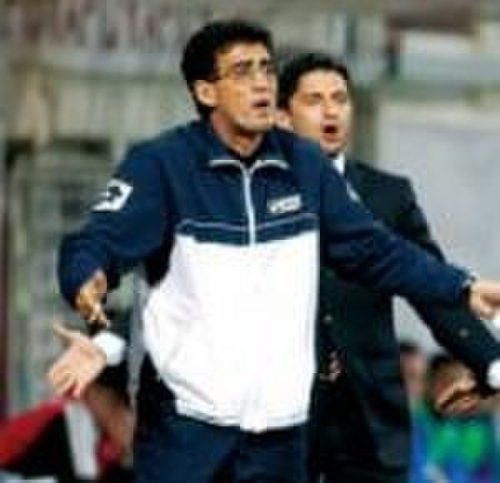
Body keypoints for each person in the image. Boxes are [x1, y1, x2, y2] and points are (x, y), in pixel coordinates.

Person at [52, 20, 500, 483]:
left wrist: (462, 287)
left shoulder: (305, 165)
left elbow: (376, 251)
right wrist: (87, 278)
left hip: (281, 440)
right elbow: (97, 240)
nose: (262, 82)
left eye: (266, 68)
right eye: (242, 71)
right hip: (187, 434)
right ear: (206, 91)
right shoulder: (162, 165)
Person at [276, 51, 500, 483]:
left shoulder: (387, 195)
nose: (331, 111)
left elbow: (432, 287)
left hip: (369, 416)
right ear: (283, 116)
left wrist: (490, 363)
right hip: (281, 414)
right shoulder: (255, 194)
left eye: (340, 99)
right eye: (314, 100)